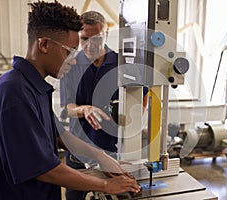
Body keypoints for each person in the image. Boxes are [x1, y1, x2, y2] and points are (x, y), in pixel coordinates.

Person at [0, 2, 140, 200]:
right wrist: (106, 185)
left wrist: (100, 157)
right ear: (44, 44)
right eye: (69, 52)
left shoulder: (35, 87)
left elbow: (60, 135)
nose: (74, 60)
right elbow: (44, 169)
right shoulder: (14, 92)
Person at [60, 10, 148, 200]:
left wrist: (134, 118)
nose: (90, 46)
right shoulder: (70, 65)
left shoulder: (123, 63)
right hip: (78, 153)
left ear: (106, 33)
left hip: (112, 152)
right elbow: (68, 107)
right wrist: (85, 109)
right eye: (84, 39)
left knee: (122, 195)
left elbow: (144, 92)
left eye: (97, 39)